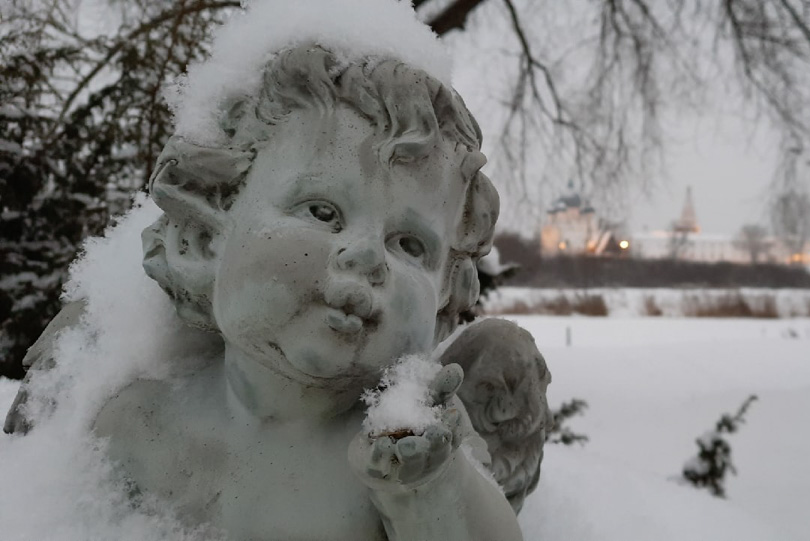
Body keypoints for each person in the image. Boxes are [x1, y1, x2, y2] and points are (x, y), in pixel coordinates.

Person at [91, 44, 522, 540]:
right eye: (321, 212)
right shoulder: (138, 423)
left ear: (443, 300)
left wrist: (430, 491)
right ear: (206, 238)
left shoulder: (412, 445)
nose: (367, 257)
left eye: (409, 244)